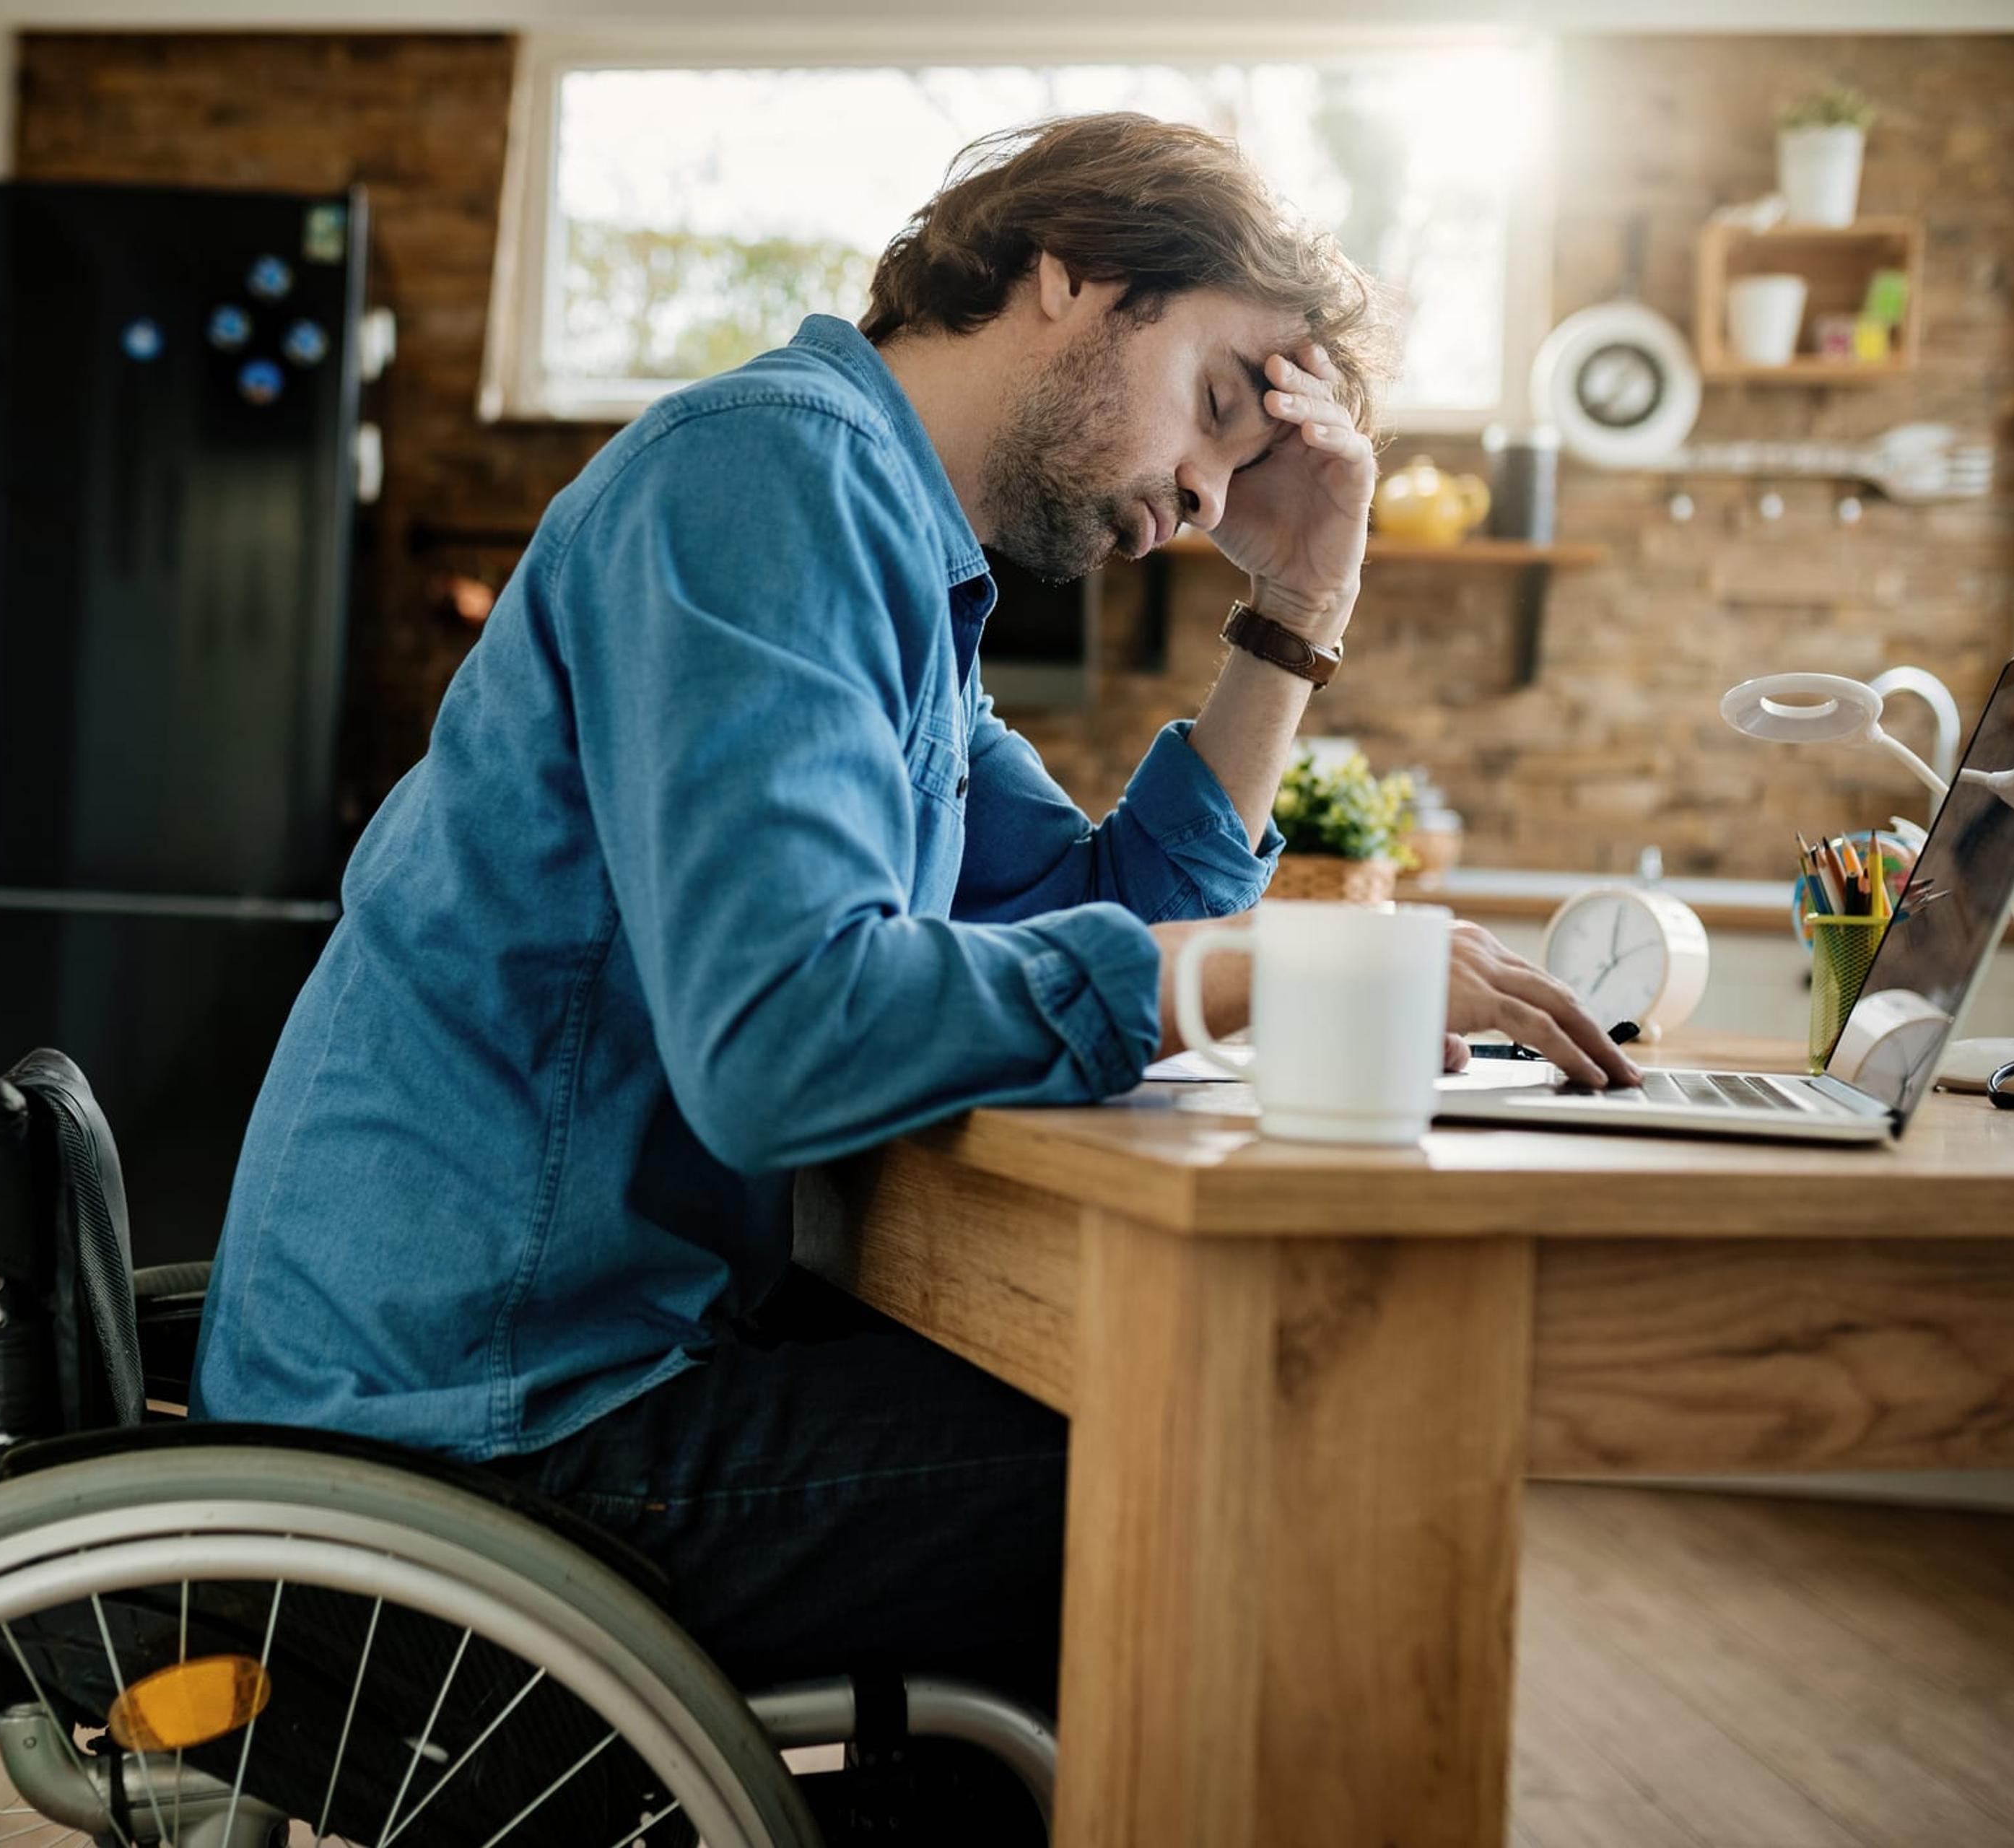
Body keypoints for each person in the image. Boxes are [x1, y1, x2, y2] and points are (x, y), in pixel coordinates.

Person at [193, 110, 1635, 1765]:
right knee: (1275, 1441)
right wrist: (1273, 967)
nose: (1202, 495)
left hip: (537, 1379)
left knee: (1190, 1416)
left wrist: (1298, 607)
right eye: (1221, 405)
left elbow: (1114, 919)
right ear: (1070, 270)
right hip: (473, 1434)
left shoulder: (899, 569)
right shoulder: (770, 476)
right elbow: (786, 1032)